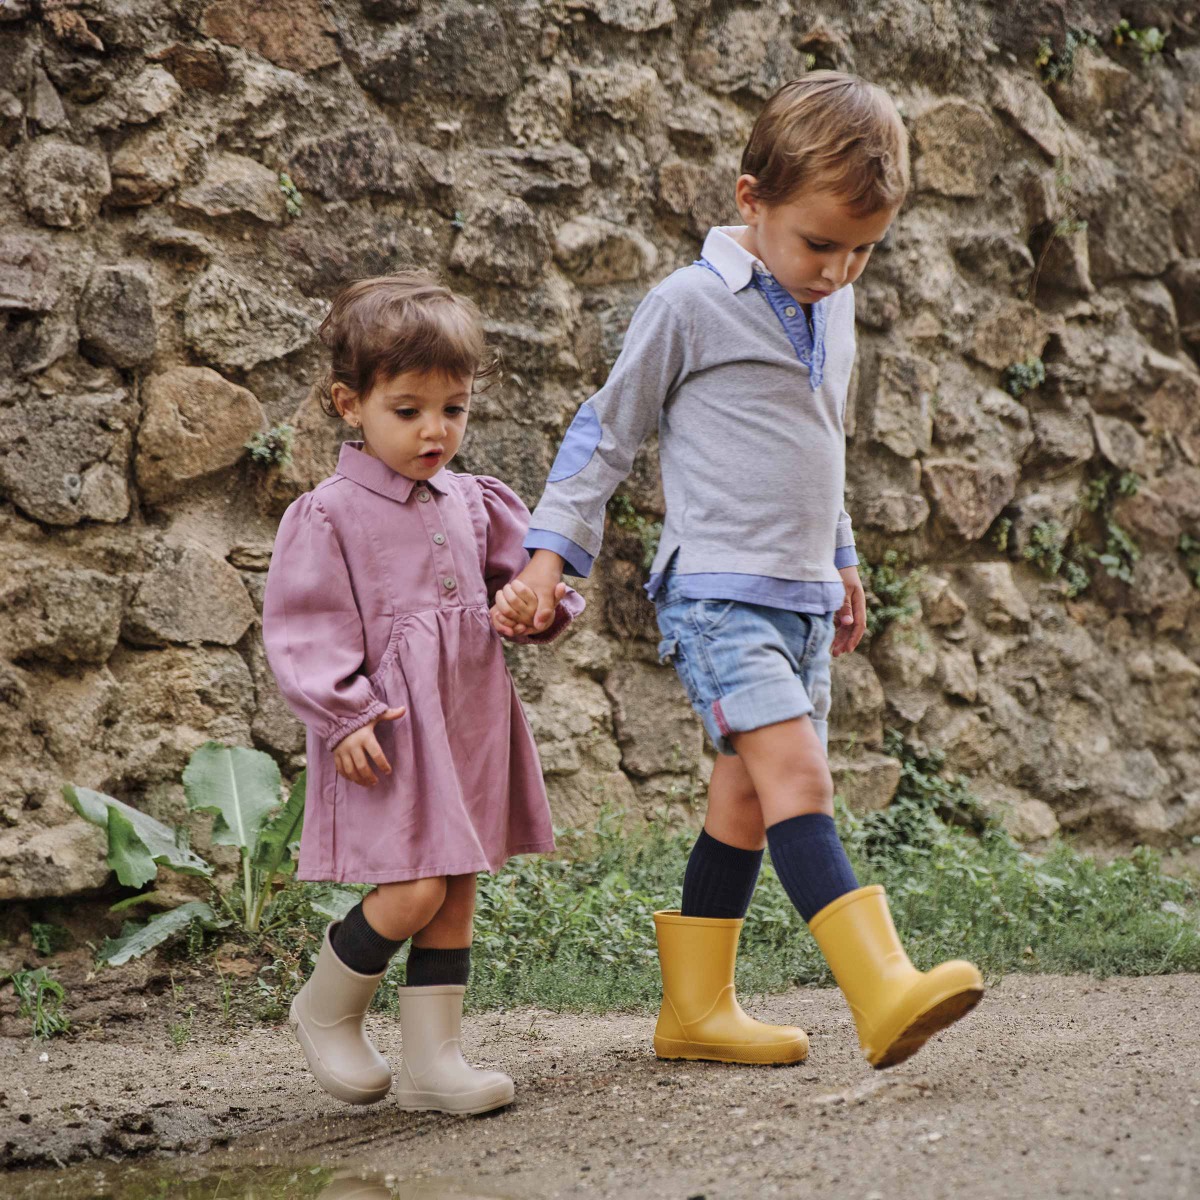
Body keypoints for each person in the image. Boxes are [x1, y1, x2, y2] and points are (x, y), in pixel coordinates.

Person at [494, 71, 982, 1070]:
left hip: (800, 593)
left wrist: (840, 556)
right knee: (800, 772)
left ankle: (695, 1012)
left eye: (862, 250)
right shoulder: (689, 305)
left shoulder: (830, 303)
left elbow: (822, 441)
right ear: (748, 201)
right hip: (717, 593)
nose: (839, 270)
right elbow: (606, 432)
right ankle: (880, 989)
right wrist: (547, 561)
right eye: (820, 243)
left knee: (746, 801)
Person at [263, 272, 582, 1112]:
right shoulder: (328, 515)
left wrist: (526, 604)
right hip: (391, 730)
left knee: (459, 884)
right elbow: (305, 625)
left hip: (468, 716)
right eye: (408, 411)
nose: (434, 430)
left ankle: (436, 1063)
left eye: (455, 408)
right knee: (413, 888)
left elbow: (526, 588)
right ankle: (327, 1006)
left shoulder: (474, 500)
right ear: (349, 404)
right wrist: (342, 713)